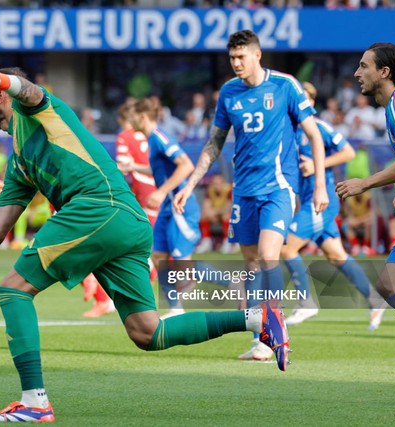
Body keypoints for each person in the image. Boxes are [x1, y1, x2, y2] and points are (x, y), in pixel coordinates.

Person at [0, 63, 290, 422]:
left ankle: (35, 402)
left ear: (0, 96)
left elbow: (31, 92)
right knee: (147, 333)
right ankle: (258, 318)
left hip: (97, 208)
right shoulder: (18, 161)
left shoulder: (37, 112)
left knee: (13, 291)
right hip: (127, 221)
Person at [173, 30, 329, 362]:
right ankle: (262, 339)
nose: (236, 63)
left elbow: (314, 136)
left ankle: (278, 323)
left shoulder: (285, 85)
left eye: (241, 57)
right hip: (243, 192)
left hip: (278, 188)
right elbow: (214, 144)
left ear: (257, 55)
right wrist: (189, 184)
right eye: (232, 58)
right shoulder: (229, 93)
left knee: (269, 254)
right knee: (251, 265)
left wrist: (319, 185)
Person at [280, 82, 386, 330]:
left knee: (286, 249)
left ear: (311, 103)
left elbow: (348, 152)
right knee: (337, 255)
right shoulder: (291, 130)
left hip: (321, 201)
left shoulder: (318, 127)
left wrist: (318, 165)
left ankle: (306, 303)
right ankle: (375, 298)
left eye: (302, 99)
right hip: (308, 201)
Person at [336, 42, 395, 329]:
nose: (357, 73)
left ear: (384, 71)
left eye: (364, 66)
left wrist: (365, 183)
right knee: (389, 284)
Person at [127, 97, 201, 318]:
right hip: (168, 208)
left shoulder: (159, 137)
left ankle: (233, 286)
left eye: (132, 116)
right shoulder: (152, 139)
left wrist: (160, 192)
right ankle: (176, 309)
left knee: (182, 264)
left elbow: (186, 165)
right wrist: (134, 166)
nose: (129, 122)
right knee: (158, 256)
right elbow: (161, 168)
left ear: (141, 116)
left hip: (180, 205)